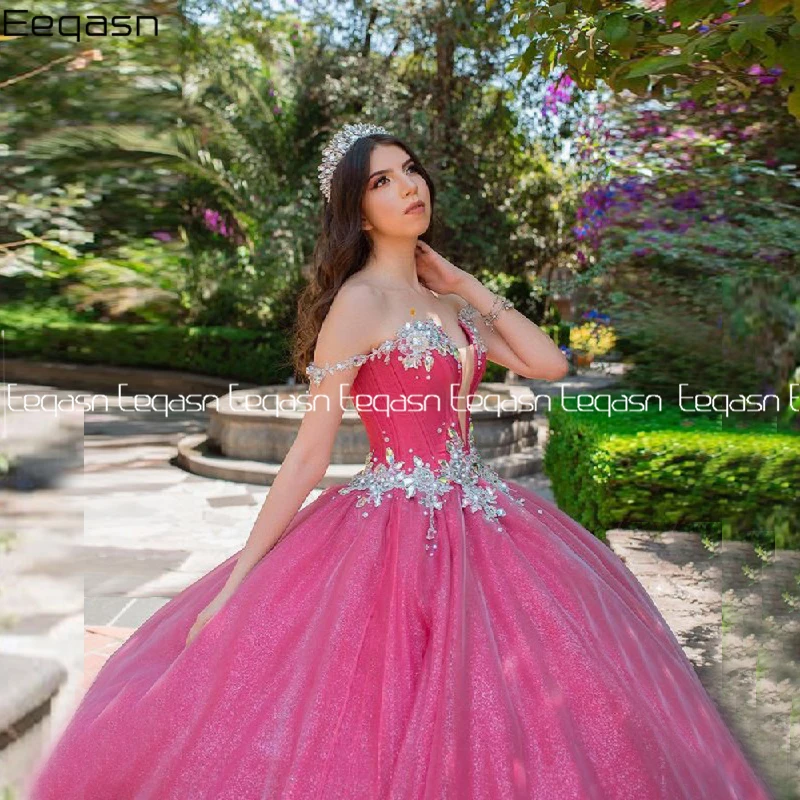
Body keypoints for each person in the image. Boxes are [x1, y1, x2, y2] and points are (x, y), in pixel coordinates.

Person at [27, 122, 773, 800]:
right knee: (384, 719)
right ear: (357, 210)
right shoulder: (357, 304)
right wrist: (240, 581)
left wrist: (464, 286)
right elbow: (310, 453)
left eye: (409, 169)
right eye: (381, 181)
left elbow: (547, 365)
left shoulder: (449, 305)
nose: (407, 186)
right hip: (390, 529)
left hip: (482, 516)